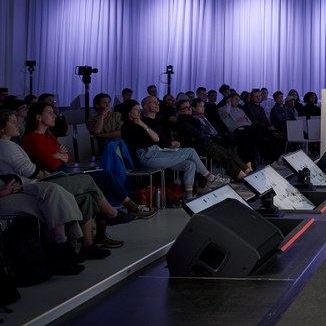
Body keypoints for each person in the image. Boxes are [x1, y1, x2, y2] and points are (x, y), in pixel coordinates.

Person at [1, 110, 126, 258]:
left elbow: (65, 158)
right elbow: (37, 168)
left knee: (86, 197)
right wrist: (52, 162)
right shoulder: (8, 145)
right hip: (37, 182)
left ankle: (88, 244)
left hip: (46, 177)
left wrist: (57, 157)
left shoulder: (42, 137)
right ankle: (112, 213)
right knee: (88, 180)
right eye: (13, 122)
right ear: (2, 128)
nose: (18, 124)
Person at [24, 102, 154, 219]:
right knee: (102, 178)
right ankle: (129, 208)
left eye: (53, 112)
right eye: (50, 113)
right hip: (54, 179)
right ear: (38, 117)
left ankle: (121, 213)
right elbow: (52, 164)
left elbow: (67, 157)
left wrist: (58, 155)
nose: (54, 116)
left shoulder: (49, 135)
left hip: (64, 174)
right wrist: (59, 155)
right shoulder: (32, 138)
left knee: (104, 176)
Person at [120, 98, 228, 200]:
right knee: (190, 151)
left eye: (139, 110)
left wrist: (143, 125)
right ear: (129, 111)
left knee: (190, 164)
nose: (139, 112)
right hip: (147, 156)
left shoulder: (143, 122)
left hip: (157, 152)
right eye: (136, 110)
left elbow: (156, 138)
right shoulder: (129, 125)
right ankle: (210, 178)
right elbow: (155, 139)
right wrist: (142, 125)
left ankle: (188, 196)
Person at [176, 98, 252, 180]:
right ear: (179, 111)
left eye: (189, 107)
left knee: (228, 153)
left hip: (204, 142)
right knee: (222, 156)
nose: (189, 109)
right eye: (186, 108)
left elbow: (203, 132)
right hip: (196, 146)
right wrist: (201, 134)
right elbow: (199, 134)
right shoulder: (183, 121)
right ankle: (240, 174)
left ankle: (245, 169)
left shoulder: (192, 119)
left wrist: (202, 134)